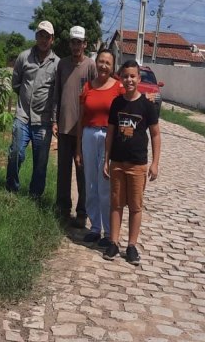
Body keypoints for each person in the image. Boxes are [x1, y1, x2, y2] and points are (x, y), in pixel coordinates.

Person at [103, 60, 161, 265]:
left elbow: (155, 135)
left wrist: (155, 163)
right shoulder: (117, 103)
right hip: (117, 162)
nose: (129, 80)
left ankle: (131, 246)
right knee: (116, 204)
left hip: (137, 164)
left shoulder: (147, 105)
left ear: (139, 78)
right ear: (121, 77)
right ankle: (113, 242)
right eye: (125, 76)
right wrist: (106, 159)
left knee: (135, 206)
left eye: (133, 76)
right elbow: (110, 133)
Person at [6, 20, 59, 198]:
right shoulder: (24, 57)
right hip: (22, 116)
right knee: (15, 153)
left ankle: (35, 195)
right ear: (36, 36)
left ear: (52, 39)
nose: (44, 40)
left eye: (47, 37)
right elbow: (16, 83)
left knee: (41, 161)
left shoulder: (56, 63)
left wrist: (53, 119)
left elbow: (56, 94)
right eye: (41, 35)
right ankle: (11, 189)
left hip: (43, 121)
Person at [75, 49, 123, 247]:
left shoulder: (118, 88)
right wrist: (78, 148)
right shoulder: (87, 87)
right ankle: (95, 227)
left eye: (108, 63)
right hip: (88, 135)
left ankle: (108, 231)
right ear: (96, 63)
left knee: (105, 185)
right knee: (90, 183)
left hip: (108, 137)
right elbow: (81, 119)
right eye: (101, 61)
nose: (103, 66)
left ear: (113, 67)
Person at [54, 25, 97, 227]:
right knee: (63, 172)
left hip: (84, 130)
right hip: (64, 127)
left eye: (79, 42)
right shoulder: (62, 65)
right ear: (69, 43)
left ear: (85, 44)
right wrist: (54, 120)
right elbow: (57, 94)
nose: (76, 46)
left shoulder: (90, 66)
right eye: (73, 42)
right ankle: (62, 208)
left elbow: (96, 93)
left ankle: (82, 211)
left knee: (82, 172)